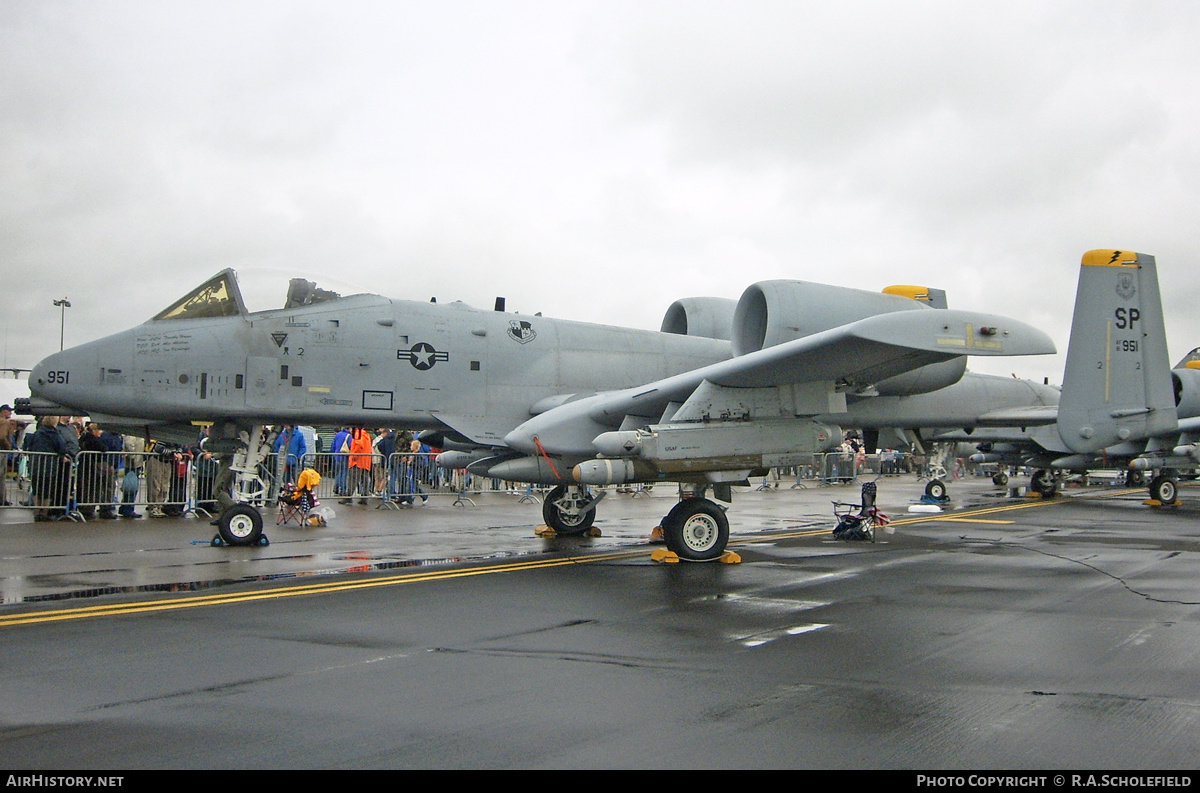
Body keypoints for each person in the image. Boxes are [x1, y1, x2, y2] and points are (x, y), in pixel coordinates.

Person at [26, 416, 71, 521]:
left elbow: (28, 445)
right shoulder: (55, 434)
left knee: (37, 489)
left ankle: (37, 511)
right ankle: (45, 512)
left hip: (35, 464)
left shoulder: (37, 433)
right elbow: (62, 447)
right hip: (49, 466)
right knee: (48, 490)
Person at [78, 423, 117, 519]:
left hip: (89, 467)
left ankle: (89, 509)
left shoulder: (84, 438)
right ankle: (99, 509)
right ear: (94, 431)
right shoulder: (93, 440)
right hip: (94, 467)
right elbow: (103, 448)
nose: (101, 432)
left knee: (93, 489)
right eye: (99, 430)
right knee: (98, 488)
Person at [0, 405, 26, 507]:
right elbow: (2, 436)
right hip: (2, 450)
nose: (10, 413)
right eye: (9, 411)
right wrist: (8, 446)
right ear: (3, 411)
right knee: (1, 475)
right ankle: (2, 499)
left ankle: (2, 498)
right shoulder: (4, 422)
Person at [342, 427, 373, 505]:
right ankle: (365, 497)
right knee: (365, 480)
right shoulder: (366, 434)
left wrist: (355, 455)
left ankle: (348, 497)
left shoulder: (358, 434)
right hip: (366, 461)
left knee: (353, 479)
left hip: (357, 461)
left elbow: (359, 444)